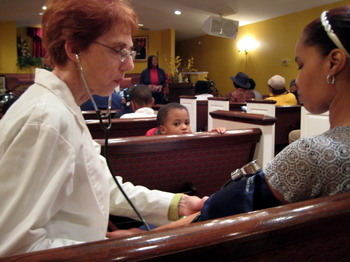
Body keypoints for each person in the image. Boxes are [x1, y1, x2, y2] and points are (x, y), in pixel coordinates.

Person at [109, 4, 350, 235]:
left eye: (301, 64)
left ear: (333, 63)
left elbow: (215, 213)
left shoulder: (312, 154)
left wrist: (138, 237)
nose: (296, 77)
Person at [0, 0, 207, 256]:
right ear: (74, 49)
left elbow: (96, 185)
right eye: (118, 50)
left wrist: (178, 203)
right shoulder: (47, 120)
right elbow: (13, 247)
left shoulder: (63, 107)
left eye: (129, 52)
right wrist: (111, 249)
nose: (129, 64)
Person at [145, 103, 226, 136]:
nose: (184, 127)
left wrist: (213, 134)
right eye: (177, 124)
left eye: (187, 123)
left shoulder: (189, 135)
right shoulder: (152, 142)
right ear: (163, 130)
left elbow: (201, 143)